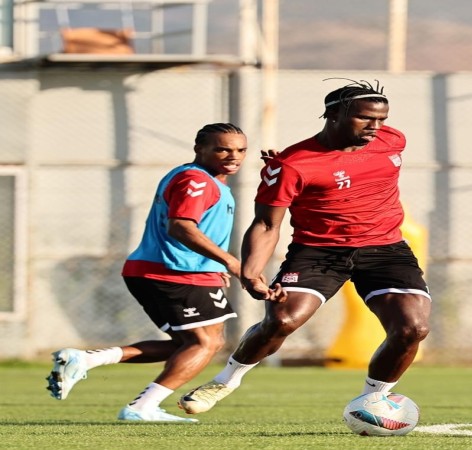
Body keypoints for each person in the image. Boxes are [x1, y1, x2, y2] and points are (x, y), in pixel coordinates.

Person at [177, 79, 432, 415]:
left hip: (385, 249)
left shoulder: (392, 140)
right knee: (282, 321)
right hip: (318, 252)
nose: (375, 126)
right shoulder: (292, 164)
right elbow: (266, 224)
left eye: (381, 119)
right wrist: (251, 273)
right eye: (365, 118)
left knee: (413, 329)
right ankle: (225, 380)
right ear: (333, 115)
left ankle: (372, 400)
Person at [45, 123, 248, 422]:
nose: (233, 156)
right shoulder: (196, 180)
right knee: (204, 344)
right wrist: (229, 261)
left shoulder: (206, 180)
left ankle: (86, 360)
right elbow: (180, 226)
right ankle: (142, 407)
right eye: (222, 149)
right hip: (175, 272)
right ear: (199, 149)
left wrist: (215, 264)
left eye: (240, 150)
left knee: (189, 344)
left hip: (174, 271)